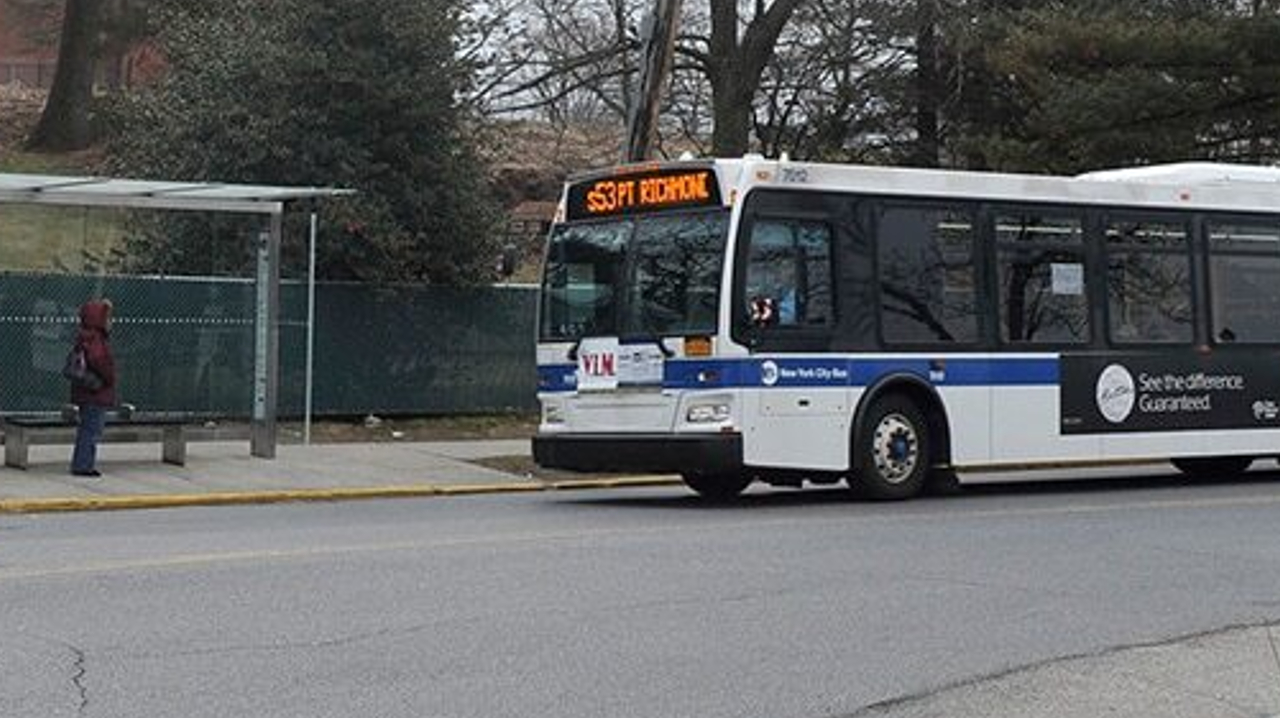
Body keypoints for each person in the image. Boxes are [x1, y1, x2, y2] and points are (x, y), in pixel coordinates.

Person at [70, 299, 116, 477]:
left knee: (86, 429)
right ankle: (84, 465)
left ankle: (82, 463)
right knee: (91, 430)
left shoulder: (84, 337)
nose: (110, 322)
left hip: (85, 390)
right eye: (107, 318)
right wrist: (109, 377)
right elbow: (99, 361)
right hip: (95, 392)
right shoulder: (96, 339)